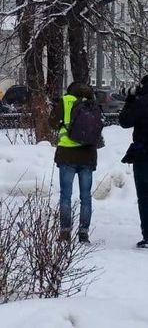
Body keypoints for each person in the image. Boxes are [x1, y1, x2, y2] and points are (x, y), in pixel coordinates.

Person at [49, 82, 98, 243]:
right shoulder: (92, 102)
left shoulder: (66, 100)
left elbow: (52, 123)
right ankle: (83, 232)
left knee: (66, 196)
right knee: (86, 196)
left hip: (67, 155)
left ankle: (65, 232)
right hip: (87, 155)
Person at [119, 75, 148, 248]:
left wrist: (130, 100)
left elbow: (124, 121)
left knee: (144, 196)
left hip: (143, 154)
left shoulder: (141, 102)